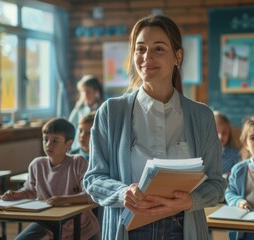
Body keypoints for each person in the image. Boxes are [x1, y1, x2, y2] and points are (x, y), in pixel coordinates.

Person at [83, 14, 226, 240]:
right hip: (127, 230)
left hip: (182, 229)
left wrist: (191, 200)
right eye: (140, 49)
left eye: (158, 49)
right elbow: (93, 179)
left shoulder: (201, 116)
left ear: (177, 56)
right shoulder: (111, 112)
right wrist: (123, 193)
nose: (146, 57)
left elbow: (216, 184)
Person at [1, 118, 99, 240]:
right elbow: (30, 191)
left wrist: (63, 200)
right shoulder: (37, 164)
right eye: (45, 140)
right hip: (48, 222)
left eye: (55, 141)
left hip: (82, 226)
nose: (48, 145)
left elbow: (91, 196)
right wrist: (14, 194)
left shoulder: (78, 162)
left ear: (68, 144)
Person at [69, 75, 104, 150]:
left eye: (88, 91)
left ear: (96, 91)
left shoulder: (102, 108)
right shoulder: (79, 108)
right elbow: (70, 124)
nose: (85, 95)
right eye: (83, 91)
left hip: (96, 145)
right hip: (80, 145)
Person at [214, 111, 239, 179]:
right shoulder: (203, 153)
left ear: (229, 133)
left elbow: (237, 175)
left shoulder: (235, 154)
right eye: (216, 132)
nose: (220, 136)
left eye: (224, 133)